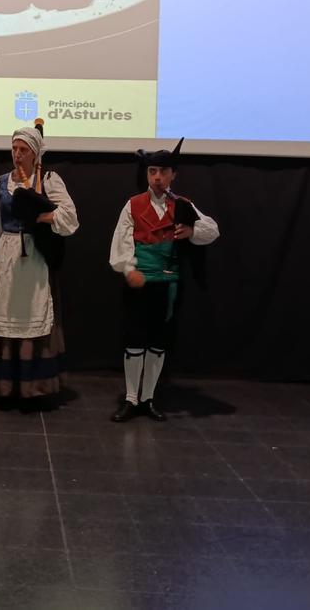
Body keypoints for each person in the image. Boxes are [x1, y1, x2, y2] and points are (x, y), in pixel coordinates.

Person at [108, 142, 219, 422]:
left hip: (168, 285)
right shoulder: (133, 205)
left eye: (163, 172)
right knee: (134, 340)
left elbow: (212, 230)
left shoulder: (182, 205)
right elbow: (120, 243)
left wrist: (191, 230)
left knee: (158, 342)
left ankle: (148, 398)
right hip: (140, 282)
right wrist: (128, 269)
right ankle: (131, 399)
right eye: (152, 171)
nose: (157, 177)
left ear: (173, 175)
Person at [0, 126, 78, 409]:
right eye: (14, 149)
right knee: (6, 311)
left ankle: (35, 386)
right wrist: (10, 244)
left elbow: (70, 219)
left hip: (36, 255)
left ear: (35, 154)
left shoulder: (48, 180)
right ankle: (4, 385)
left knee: (34, 311)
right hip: (8, 254)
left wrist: (42, 216)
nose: (17, 155)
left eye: (23, 150)